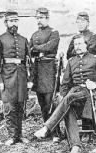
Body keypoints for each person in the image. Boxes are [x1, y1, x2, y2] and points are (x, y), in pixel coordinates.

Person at [34, 35, 96, 153]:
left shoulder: (95, 59)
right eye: (76, 45)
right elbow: (65, 83)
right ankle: (75, 146)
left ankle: (47, 127)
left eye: (80, 44)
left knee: (69, 98)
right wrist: (62, 96)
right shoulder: (71, 61)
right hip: (74, 94)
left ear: (86, 45)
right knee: (67, 108)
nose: (78, 47)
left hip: (89, 94)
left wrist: (95, 84)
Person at [0, 10, 32, 145]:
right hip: (7, 77)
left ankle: (19, 135)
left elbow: (28, 61)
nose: (14, 23)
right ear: (6, 22)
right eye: (11, 21)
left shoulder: (23, 40)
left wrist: (30, 79)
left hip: (21, 77)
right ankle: (11, 136)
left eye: (16, 20)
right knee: (9, 107)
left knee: (21, 107)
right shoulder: (0, 39)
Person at [29, 7, 61, 142]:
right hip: (37, 69)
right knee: (42, 102)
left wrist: (36, 49)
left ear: (47, 18)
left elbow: (50, 47)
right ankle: (46, 129)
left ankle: (56, 132)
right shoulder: (34, 34)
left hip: (49, 69)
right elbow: (29, 51)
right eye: (37, 18)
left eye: (41, 18)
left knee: (51, 101)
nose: (39, 21)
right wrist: (36, 50)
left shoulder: (54, 32)